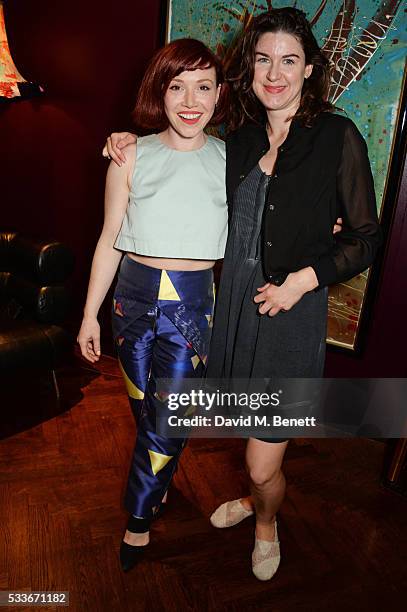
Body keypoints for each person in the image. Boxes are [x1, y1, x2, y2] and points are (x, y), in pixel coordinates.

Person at [104, 8, 379, 581]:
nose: (274, 73)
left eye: (289, 60)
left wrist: (303, 280)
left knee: (260, 461)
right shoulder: (240, 139)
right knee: (240, 436)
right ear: (249, 69)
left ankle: (265, 521)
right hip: (231, 312)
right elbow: (188, 168)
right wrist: (127, 139)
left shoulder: (337, 136)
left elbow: (365, 237)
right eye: (262, 60)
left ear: (309, 69)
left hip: (289, 317)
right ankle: (256, 498)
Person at [78, 38, 229, 572]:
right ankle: (159, 480)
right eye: (177, 86)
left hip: (192, 305)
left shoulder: (233, 160)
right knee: (147, 412)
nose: (190, 100)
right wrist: (89, 314)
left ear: (219, 94)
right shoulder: (129, 153)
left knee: (169, 418)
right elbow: (109, 239)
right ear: (160, 93)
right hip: (133, 303)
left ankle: (138, 518)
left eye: (203, 86)